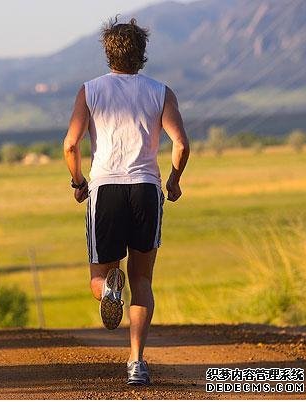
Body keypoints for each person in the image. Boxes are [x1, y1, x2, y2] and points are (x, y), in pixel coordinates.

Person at [63, 17, 190, 386]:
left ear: (108, 53)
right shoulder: (161, 92)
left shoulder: (90, 91)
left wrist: (77, 181)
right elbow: (181, 144)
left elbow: (70, 144)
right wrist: (174, 180)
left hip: (104, 190)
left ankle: (108, 291)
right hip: (147, 190)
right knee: (143, 279)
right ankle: (136, 363)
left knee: (99, 277)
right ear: (142, 53)